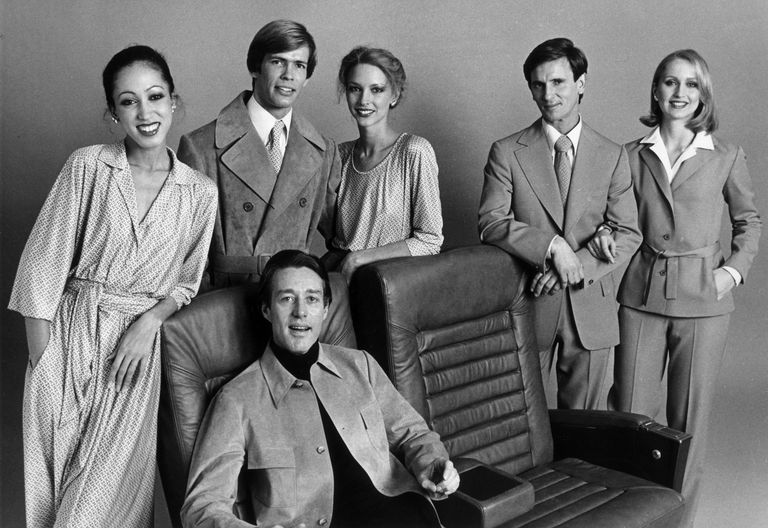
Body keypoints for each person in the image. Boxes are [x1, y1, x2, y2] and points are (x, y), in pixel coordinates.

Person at [8, 45, 218, 527]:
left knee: (96, 512)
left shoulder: (199, 193)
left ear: (173, 102)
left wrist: (150, 321)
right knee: (53, 505)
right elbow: (42, 263)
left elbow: (187, 282)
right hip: (66, 346)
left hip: (132, 365)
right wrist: (44, 361)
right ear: (113, 113)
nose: (145, 113)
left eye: (155, 96)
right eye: (129, 101)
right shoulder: (87, 167)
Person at [181, 250, 460, 528]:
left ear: (325, 310)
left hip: (404, 515)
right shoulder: (235, 400)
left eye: (312, 299)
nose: (300, 312)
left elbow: (414, 434)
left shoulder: (360, 365)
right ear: (266, 309)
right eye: (287, 298)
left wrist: (433, 465)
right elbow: (201, 507)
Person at [601, 49, 761, 526]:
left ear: (703, 94)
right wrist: (606, 235)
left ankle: (679, 521)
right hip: (640, 297)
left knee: (687, 421)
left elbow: (749, 222)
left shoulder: (726, 155)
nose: (680, 93)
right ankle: (630, 515)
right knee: (630, 414)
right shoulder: (630, 155)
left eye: (691, 84)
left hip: (704, 301)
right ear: (656, 90)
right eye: (670, 82)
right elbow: (615, 217)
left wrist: (732, 272)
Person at [478, 38, 641, 410]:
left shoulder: (612, 154)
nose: (547, 94)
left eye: (558, 82)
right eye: (538, 85)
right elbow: (490, 222)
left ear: (580, 83)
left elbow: (628, 232)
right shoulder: (506, 151)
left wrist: (574, 264)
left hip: (591, 310)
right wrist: (553, 247)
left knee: (584, 428)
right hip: (528, 304)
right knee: (520, 421)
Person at [178, 19, 355, 347]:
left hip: (294, 315)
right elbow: (185, 254)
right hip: (226, 307)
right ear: (255, 67)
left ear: (307, 76)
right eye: (278, 62)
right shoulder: (200, 147)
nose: (289, 75)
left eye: (299, 65)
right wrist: (201, 315)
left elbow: (342, 237)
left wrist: (312, 283)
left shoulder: (323, 150)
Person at [323, 46, 443, 282]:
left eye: (376, 90)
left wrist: (359, 258)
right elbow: (331, 234)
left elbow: (430, 240)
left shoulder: (413, 151)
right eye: (355, 89)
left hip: (390, 286)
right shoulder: (339, 155)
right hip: (340, 278)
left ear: (394, 95)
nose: (364, 100)